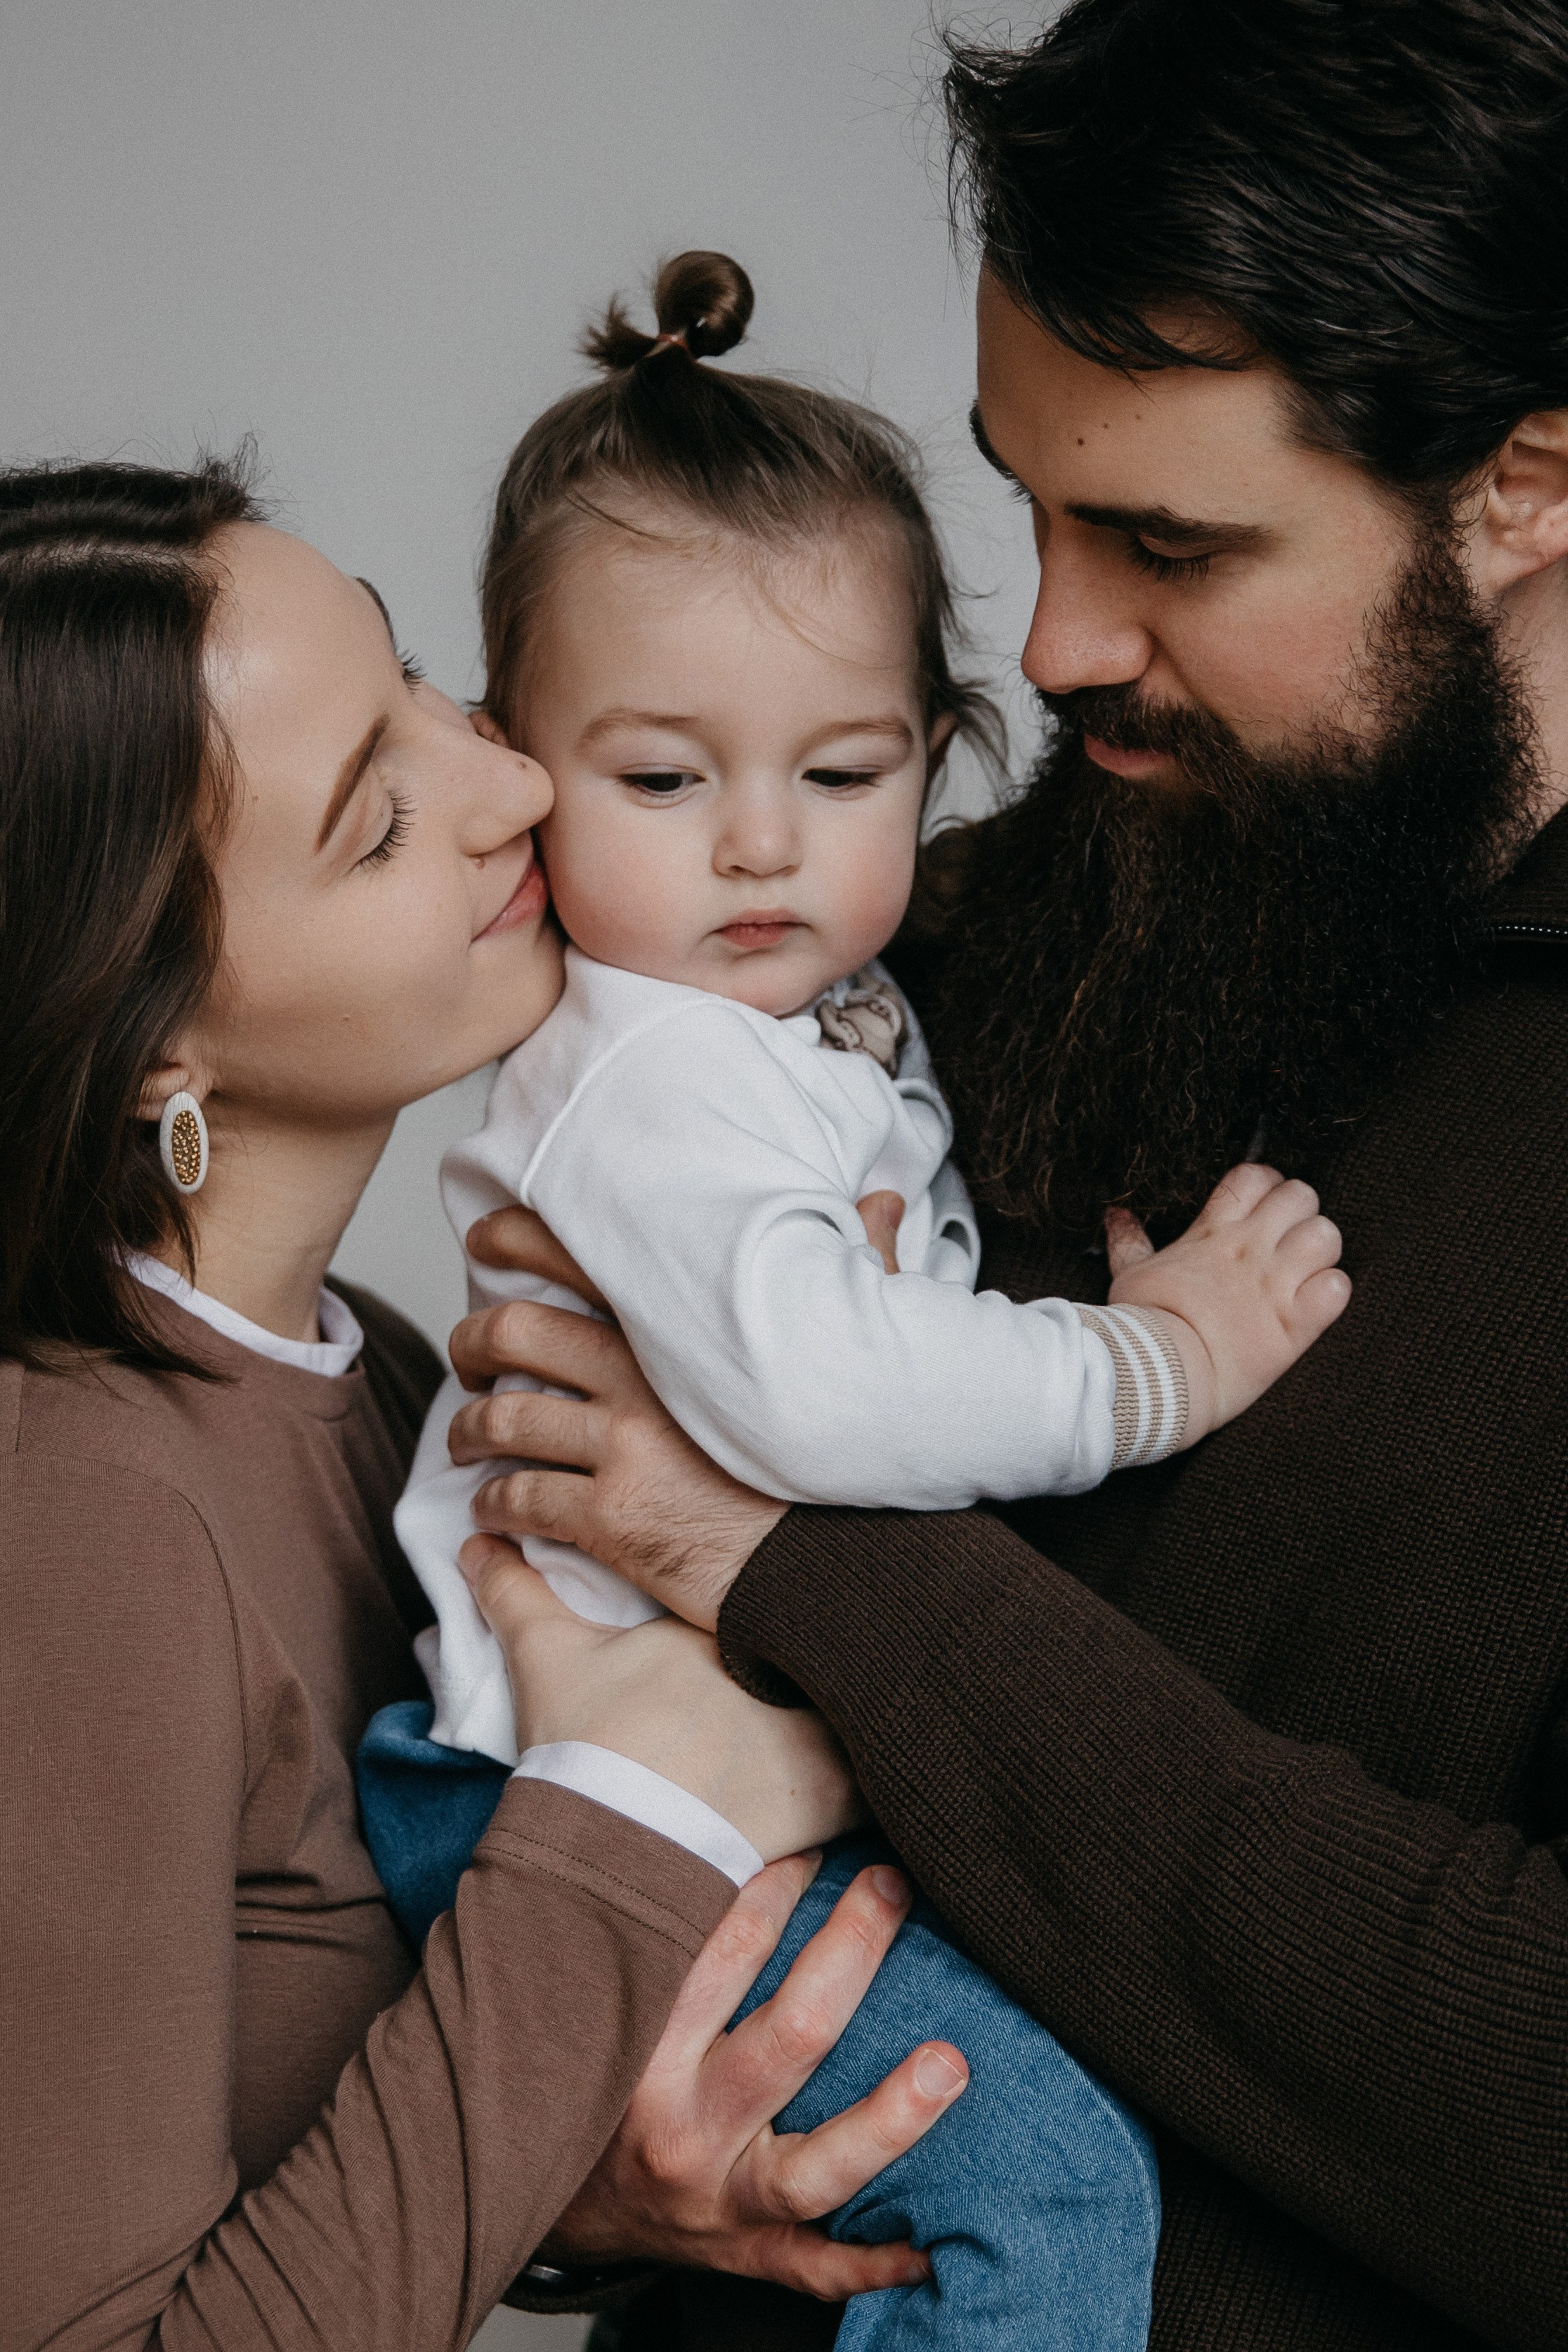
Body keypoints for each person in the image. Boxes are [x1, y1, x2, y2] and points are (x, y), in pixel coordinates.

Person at [431, 4, 1568, 2346]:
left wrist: (785, 1551)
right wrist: (561, 2139)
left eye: (1167, 540)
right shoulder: (890, 954)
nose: (1047, 644)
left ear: (1532, 478)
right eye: (1031, 511)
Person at [358, 249, 1347, 2352]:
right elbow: (828, 1393)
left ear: (937, 750)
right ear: (520, 769)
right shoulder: (659, 1068)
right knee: (1052, 2183)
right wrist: (1153, 1361)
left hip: (688, 1783)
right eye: (659, 779)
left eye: (842, 773)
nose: (755, 852)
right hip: (591, 1798)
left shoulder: (827, 1012)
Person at [0, 457, 971, 2351]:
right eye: (376, 819)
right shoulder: (77, 1511)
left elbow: (360, 2107)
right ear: (155, 1042)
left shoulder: (381, 1377)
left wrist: (602, 2183)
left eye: (427, 688)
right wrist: (640, 1800)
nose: (514, 783)